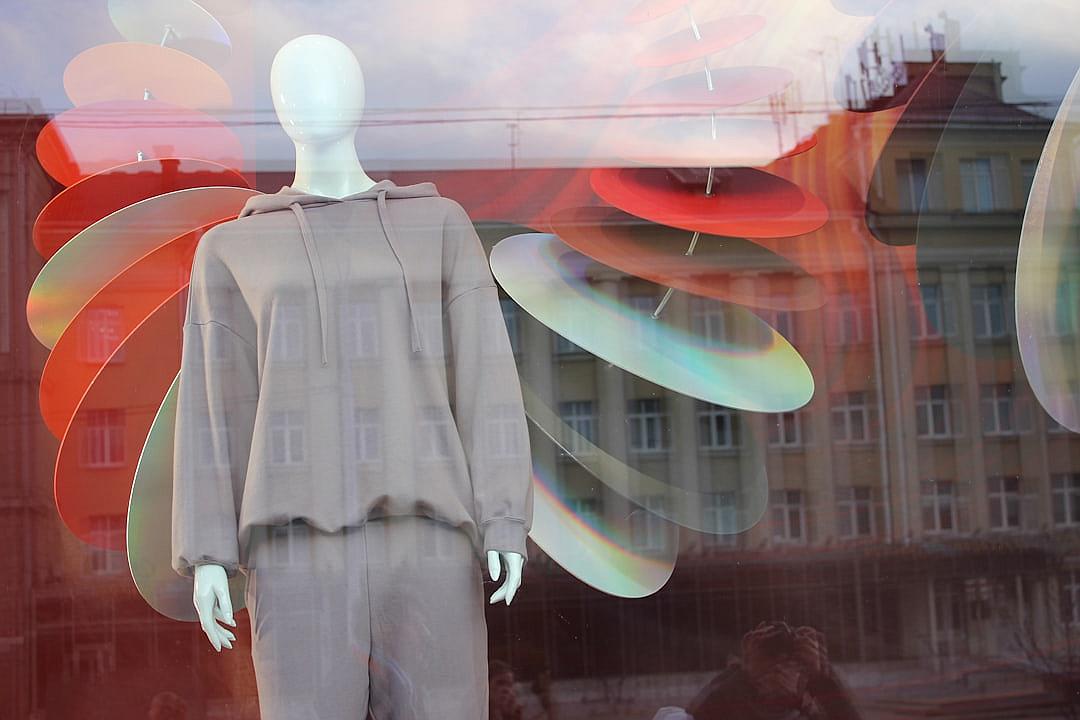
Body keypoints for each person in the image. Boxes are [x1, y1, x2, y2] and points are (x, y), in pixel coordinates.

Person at [683, 621, 863, 720]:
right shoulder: (732, 699)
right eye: (770, 663)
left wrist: (822, 679)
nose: (777, 672)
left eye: (786, 663)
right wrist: (744, 675)